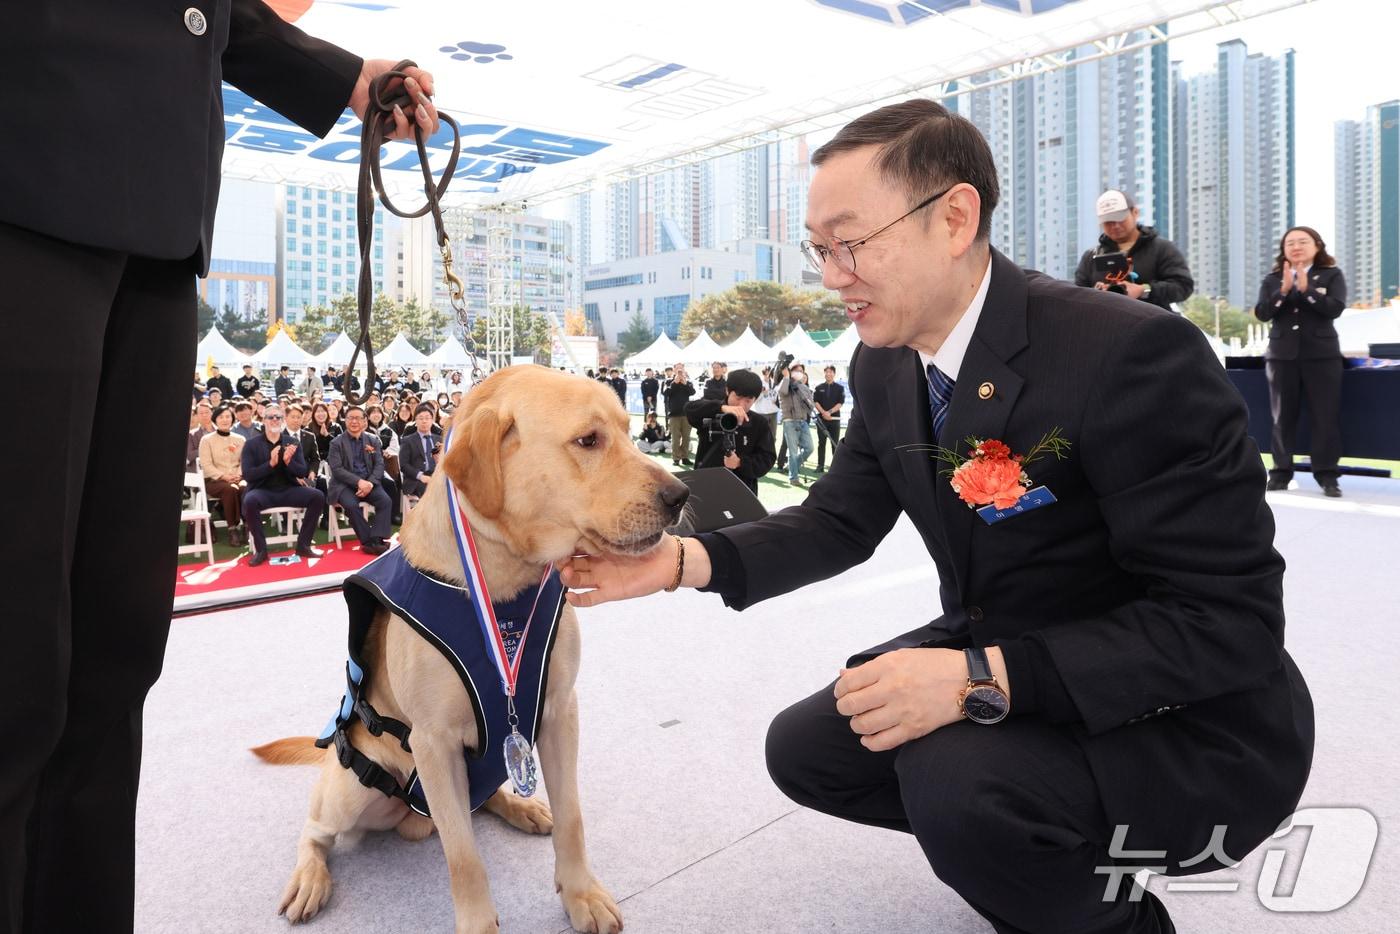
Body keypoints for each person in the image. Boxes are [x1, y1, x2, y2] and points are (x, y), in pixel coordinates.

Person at [560, 99, 1313, 934]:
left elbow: (1226, 623)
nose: (831, 273)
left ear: (955, 217)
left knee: (955, 781)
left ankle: (1109, 917)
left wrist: (977, 680)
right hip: (1016, 646)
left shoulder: (1129, 354)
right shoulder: (884, 364)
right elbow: (836, 521)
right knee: (810, 750)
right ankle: (1035, 864)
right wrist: (673, 563)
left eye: (850, 242)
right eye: (819, 249)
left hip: (1186, 712)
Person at [0, 6, 443, 927]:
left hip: (157, 235)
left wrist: (343, 79)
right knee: (12, 652)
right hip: (23, 177)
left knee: (115, 649)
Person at [1254, 226, 1347, 497]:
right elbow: (1262, 312)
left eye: (1303, 242)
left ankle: (1327, 475)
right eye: (1290, 243)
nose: (1296, 247)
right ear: (1283, 249)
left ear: (1317, 246)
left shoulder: (1331, 274)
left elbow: (1335, 308)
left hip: (1322, 355)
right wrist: (1283, 291)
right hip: (1282, 356)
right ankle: (1281, 473)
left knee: (1325, 416)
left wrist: (1307, 290)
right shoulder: (1273, 279)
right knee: (1281, 417)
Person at [1074, 189, 1194, 310]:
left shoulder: (1162, 248)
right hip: (1108, 324)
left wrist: (1144, 290)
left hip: (1152, 323)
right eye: (1108, 222)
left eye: (1120, 218)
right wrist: (1096, 293)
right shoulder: (1091, 257)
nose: (1115, 225)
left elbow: (1184, 286)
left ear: (1135, 212)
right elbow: (1077, 295)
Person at [238, 403, 326, 565]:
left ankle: (303, 545)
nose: (274, 420)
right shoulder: (251, 444)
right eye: (270, 417)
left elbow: (301, 472)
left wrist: (287, 462)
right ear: (263, 420)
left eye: (278, 417)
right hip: (263, 491)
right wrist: (270, 464)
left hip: (289, 489)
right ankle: (261, 550)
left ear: (282, 420)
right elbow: (248, 475)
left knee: (318, 496)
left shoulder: (292, 442)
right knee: (249, 500)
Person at [682, 369, 776, 494]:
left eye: (748, 400)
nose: (741, 405)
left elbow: (767, 458)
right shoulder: (713, 411)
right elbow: (689, 409)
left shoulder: (759, 423)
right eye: (738, 397)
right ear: (727, 391)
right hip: (705, 484)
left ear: (755, 399)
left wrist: (740, 462)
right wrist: (721, 408)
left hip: (742, 490)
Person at [328, 405, 394, 555]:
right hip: (344, 485)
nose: (354, 421)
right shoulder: (336, 443)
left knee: (385, 501)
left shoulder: (373, 440)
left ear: (365, 421)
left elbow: (379, 464)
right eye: (351, 418)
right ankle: (369, 542)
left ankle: (376, 539)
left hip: (369, 483)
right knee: (351, 505)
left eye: (358, 418)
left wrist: (370, 483)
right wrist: (359, 482)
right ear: (345, 421)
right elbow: (337, 470)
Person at [198, 406, 248, 547]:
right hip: (215, 480)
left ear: (232, 419)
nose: (225, 420)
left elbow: (244, 461)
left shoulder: (240, 439)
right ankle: (232, 529)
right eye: (221, 417)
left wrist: (238, 474)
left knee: (245, 488)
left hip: (238, 477)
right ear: (215, 420)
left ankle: (247, 527)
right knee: (230, 489)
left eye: (228, 416)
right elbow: (206, 465)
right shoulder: (206, 440)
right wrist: (223, 476)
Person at [777, 361, 816, 486]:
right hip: (789, 422)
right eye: (796, 370)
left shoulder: (804, 388)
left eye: (801, 371)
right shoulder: (784, 383)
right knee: (793, 451)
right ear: (790, 370)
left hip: (803, 421)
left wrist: (807, 402)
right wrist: (786, 377)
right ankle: (793, 478)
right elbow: (782, 392)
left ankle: (792, 465)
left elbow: (811, 406)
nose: (799, 373)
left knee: (810, 448)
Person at [398, 403, 441, 500]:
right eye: (420, 418)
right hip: (416, 480)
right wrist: (421, 476)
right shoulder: (407, 440)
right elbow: (404, 465)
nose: (424, 421)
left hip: (436, 477)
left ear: (432, 420)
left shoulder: (439, 440)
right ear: (415, 421)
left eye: (427, 418)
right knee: (431, 490)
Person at [812, 365, 845, 473]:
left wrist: (829, 412)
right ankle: (820, 466)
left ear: (834, 374)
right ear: (824, 373)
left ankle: (835, 468)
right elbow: (815, 402)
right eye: (826, 372)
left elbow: (840, 403)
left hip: (834, 420)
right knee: (821, 443)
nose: (828, 374)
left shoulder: (840, 388)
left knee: (834, 443)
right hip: (822, 421)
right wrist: (824, 413)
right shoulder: (818, 387)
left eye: (830, 372)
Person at [663, 363, 696, 466]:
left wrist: (685, 383)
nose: (680, 370)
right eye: (677, 368)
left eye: (681, 368)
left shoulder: (688, 381)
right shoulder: (668, 381)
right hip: (673, 414)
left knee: (686, 437)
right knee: (675, 438)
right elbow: (665, 393)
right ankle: (676, 458)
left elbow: (692, 392)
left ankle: (685, 457)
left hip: (686, 414)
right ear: (674, 370)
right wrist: (674, 382)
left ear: (684, 369)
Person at [185, 401, 214, 472]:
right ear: (197, 415)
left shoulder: (221, 431)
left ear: (212, 413)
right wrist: (208, 448)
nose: (204, 415)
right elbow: (189, 455)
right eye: (201, 413)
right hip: (199, 472)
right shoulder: (191, 434)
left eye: (207, 412)